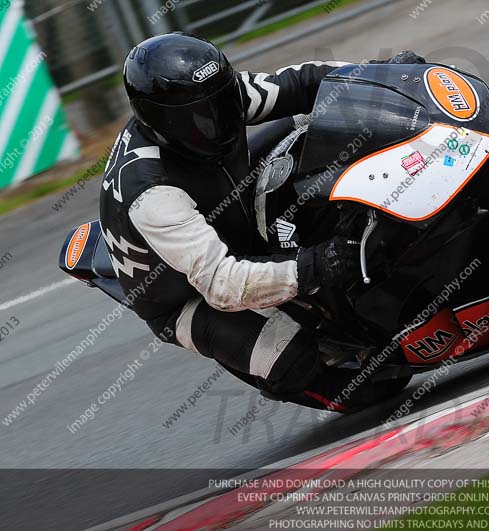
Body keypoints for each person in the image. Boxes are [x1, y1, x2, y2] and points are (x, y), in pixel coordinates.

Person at [99, 32, 423, 411]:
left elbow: (301, 83)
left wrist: (383, 76)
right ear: (159, 121)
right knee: (303, 363)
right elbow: (222, 283)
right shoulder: (151, 192)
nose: (219, 121)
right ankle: (301, 377)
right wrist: (317, 264)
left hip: (229, 205)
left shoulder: (220, 98)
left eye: (222, 103)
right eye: (199, 117)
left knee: (317, 124)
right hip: (189, 292)